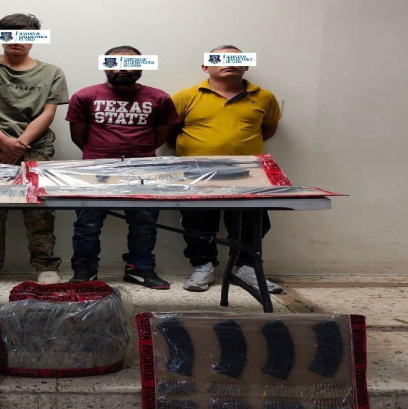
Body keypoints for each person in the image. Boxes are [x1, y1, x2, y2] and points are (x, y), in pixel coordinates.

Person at [0, 13, 69, 288]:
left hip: (35, 146)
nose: (16, 40)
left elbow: (48, 113)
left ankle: (46, 266)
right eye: (8, 34)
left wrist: (17, 147)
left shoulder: (52, 72)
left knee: (38, 208)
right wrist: (1, 140)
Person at [172, 45, 282, 293]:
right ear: (205, 67)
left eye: (235, 59)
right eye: (220, 59)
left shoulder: (264, 97)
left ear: (246, 65)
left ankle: (245, 268)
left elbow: (268, 129)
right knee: (198, 222)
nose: (228, 62)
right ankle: (203, 267)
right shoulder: (186, 96)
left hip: (248, 173)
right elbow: (169, 130)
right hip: (196, 172)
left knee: (252, 222)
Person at [66, 46, 178, 289]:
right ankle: (85, 270)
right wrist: (102, 155)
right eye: (115, 63)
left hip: (143, 168)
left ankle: (140, 268)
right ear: (105, 66)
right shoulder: (85, 96)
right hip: (95, 169)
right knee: (87, 224)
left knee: (144, 223)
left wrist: (137, 154)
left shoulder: (160, 98)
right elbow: (78, 136)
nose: (123, 68)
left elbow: (160, 135)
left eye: (131, 63)